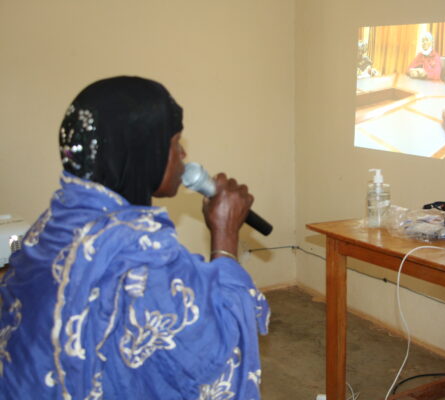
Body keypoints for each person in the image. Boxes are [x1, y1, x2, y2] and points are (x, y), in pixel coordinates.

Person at [0, 76, 270, 399]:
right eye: (175, 143)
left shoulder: (51, 223)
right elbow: (211, 352)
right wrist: (225, 235)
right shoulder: (138, 254)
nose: (183, 153)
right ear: (143, 152)